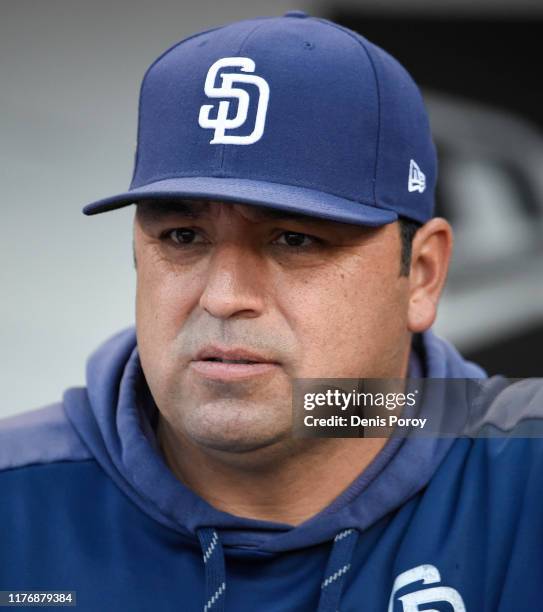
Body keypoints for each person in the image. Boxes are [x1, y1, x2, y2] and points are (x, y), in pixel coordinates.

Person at [1, 11, 542, 612]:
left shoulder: (525, 473)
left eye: (294, 239)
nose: (224, 295)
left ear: (421, 274)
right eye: (183, 235)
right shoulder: (16, 495)